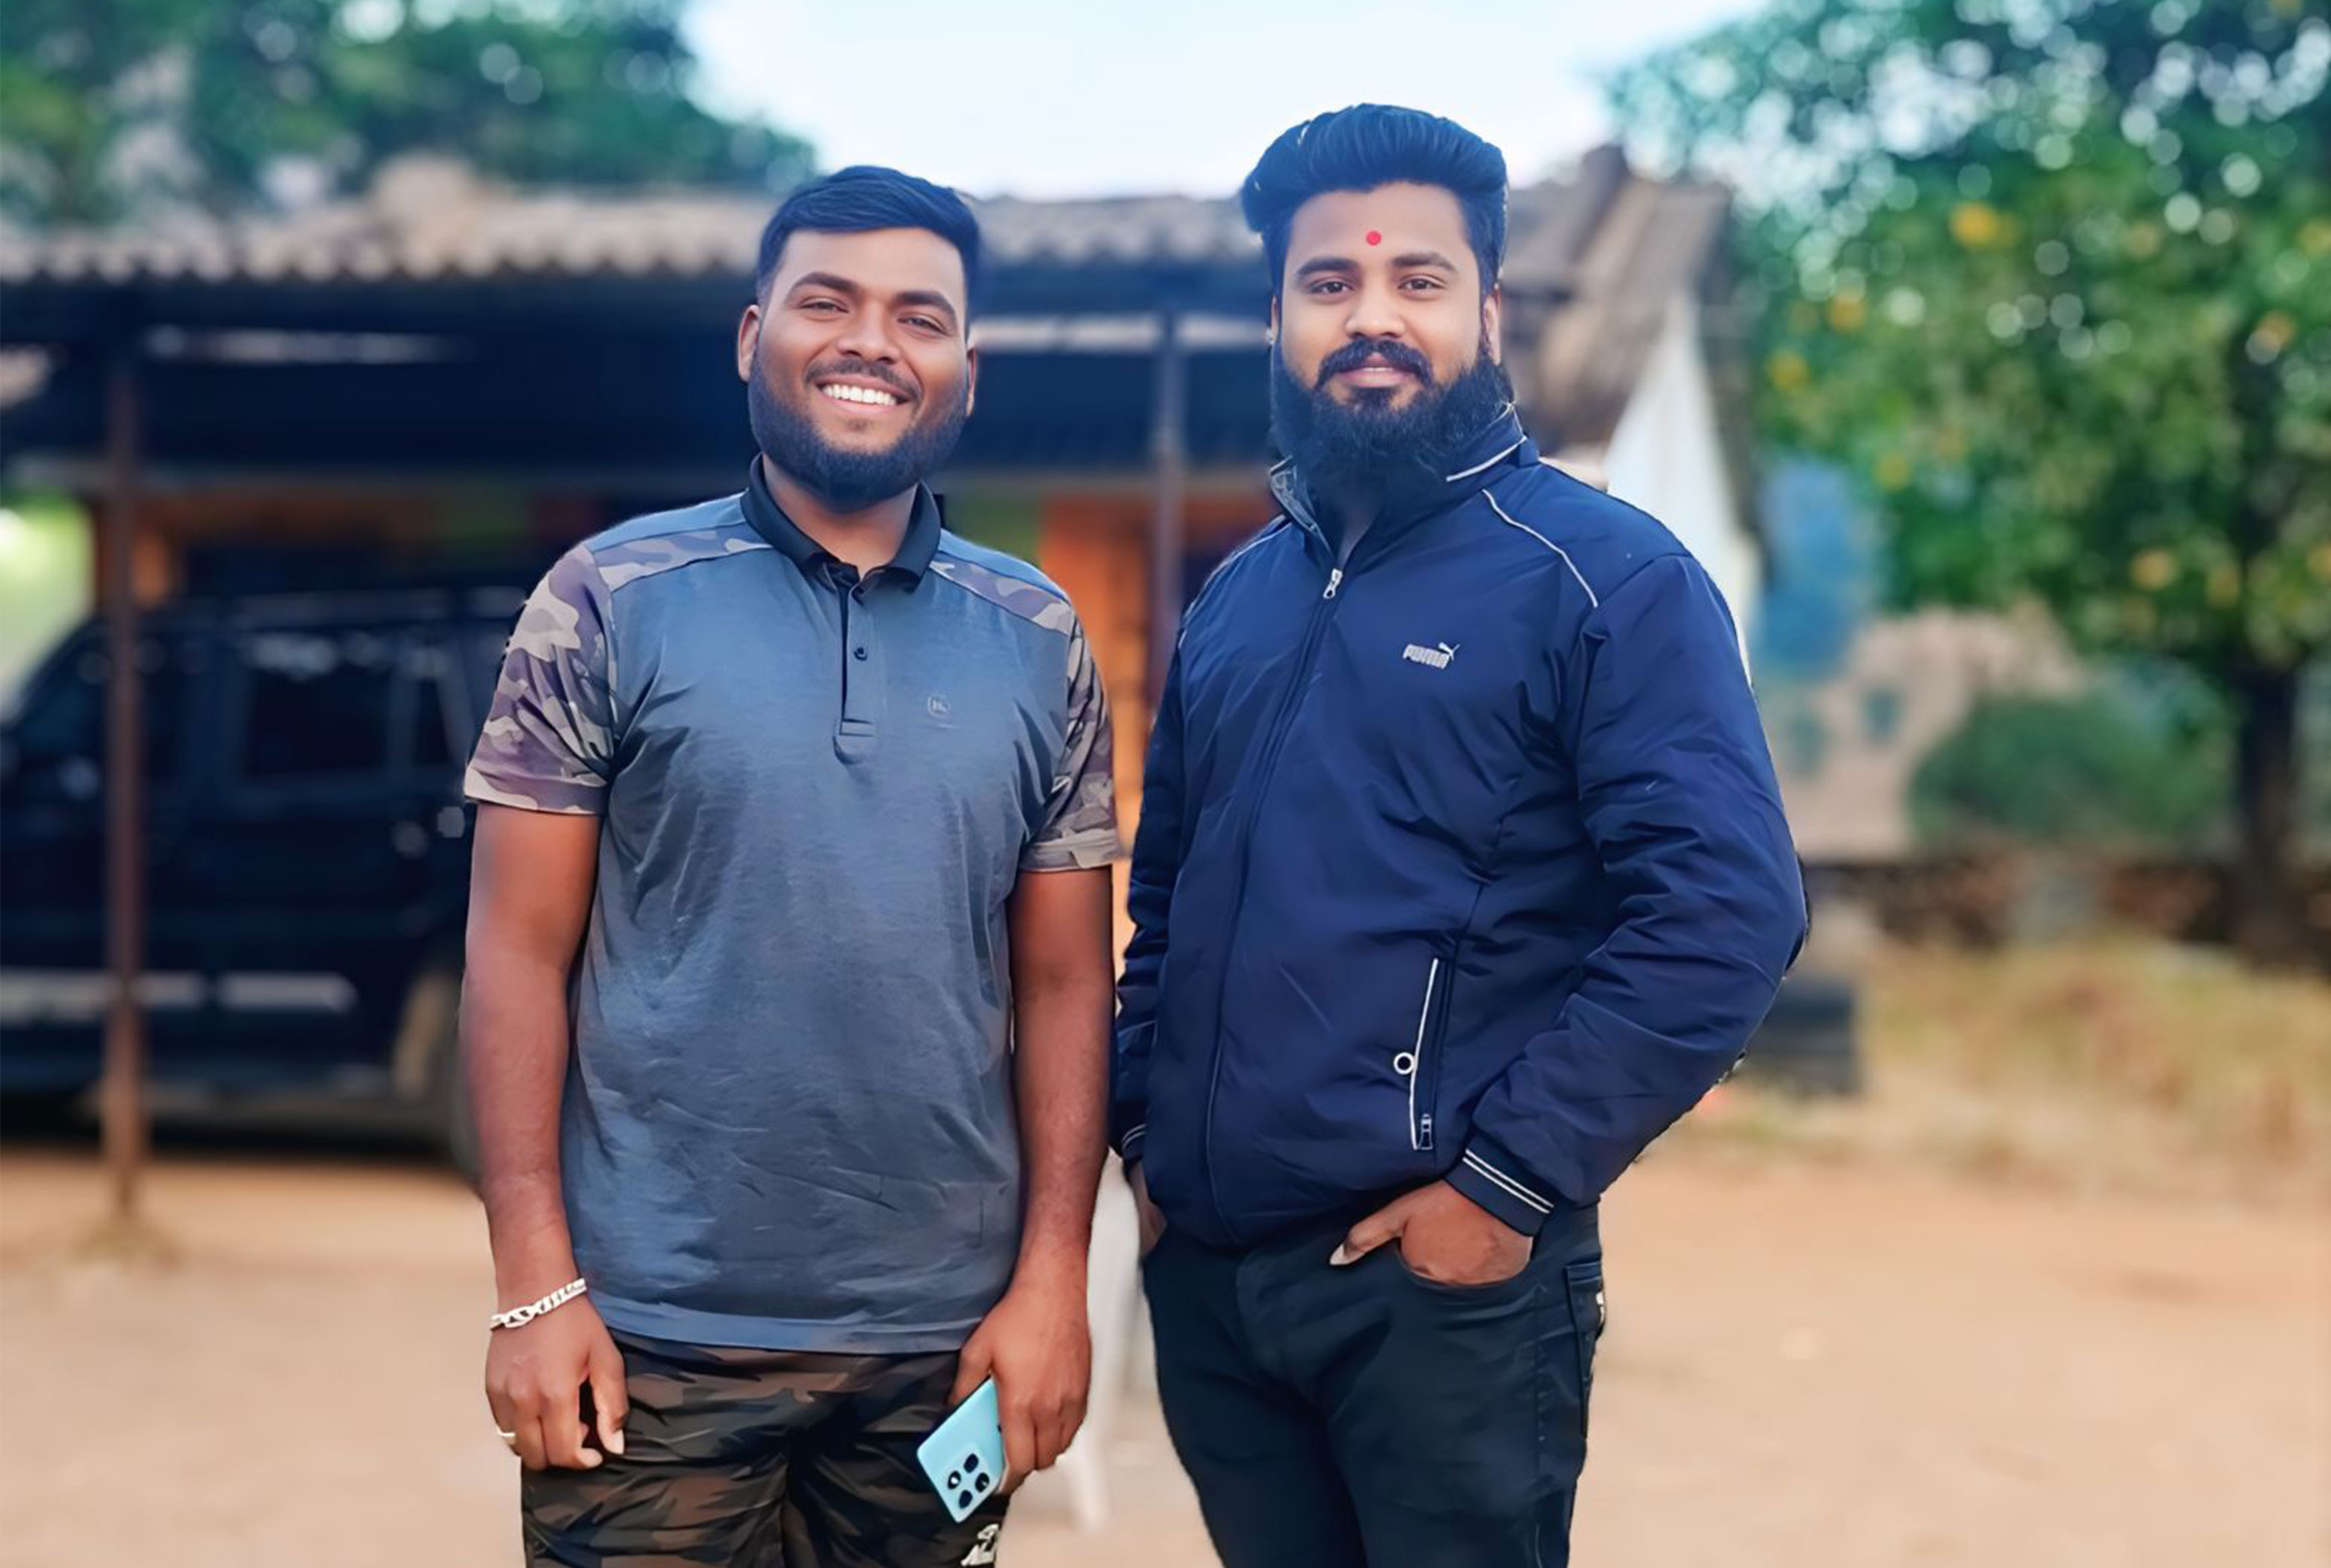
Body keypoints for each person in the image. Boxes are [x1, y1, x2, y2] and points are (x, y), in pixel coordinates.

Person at [1113, 105, 1807, 1566]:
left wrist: (1506, 1186)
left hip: (1439, 1296)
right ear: (1279, 321)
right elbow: (1165, 898)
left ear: (1486, 312)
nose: (1372, 317)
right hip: (1219, 1292)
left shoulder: (1605, 579)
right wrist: (1143, 1138)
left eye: (1416, 280)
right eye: (1330, 283)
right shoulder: (1238, 599)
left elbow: (1725, 914)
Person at [462, 165, 1121, 1567]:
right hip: (650, 1344)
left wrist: (1053, 1280)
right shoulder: (606, 600)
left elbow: (1068, 984)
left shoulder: (1042, 635)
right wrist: (534, 1286)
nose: (872, 341)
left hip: (940, 1353)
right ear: (754, 337)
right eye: (829, 302)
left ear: (968, 367)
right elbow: (516, 952)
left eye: (919, 315)